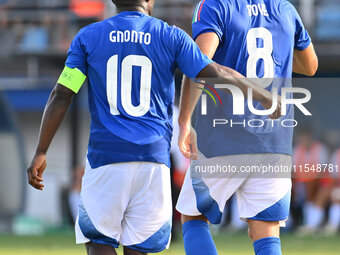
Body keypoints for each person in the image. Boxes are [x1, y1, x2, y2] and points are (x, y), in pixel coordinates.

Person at [26, 0, 279, 255]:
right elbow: (213, 72)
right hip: (154, 161)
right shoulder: (171, 36)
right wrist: (260, 93)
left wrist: (41, 151)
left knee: (99, 243)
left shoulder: (89, 36)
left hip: (106, 158)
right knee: (139, 248)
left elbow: (63, 94)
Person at [176, 0, 318, 255]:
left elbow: (198, 64)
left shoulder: (214, 5)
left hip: (223, 135)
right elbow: (310, 66)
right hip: (275, 138)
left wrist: (184, 121)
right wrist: (279, 54)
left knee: (194, 217)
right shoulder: (285, 8)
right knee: (266, 232)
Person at [293, 127, 330, 235]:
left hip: (319, 182)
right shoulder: (297, 149)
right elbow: (294, 170)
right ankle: (297, 223)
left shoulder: (320, 148)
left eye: (307, 137)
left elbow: (323, 169)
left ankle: (311, 225)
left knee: (313, 190)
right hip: (300, 183)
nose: (305, 140)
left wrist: (310, 180)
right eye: (302, 137)